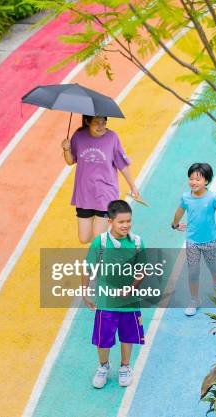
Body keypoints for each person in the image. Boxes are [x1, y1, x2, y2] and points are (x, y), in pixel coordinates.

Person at [83, 200, 146, 388]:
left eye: (129, 221)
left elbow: (142, 271)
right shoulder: (100, 242)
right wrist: (86, 293)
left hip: (129, 302)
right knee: (103, 339)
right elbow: (87, 268)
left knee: (128, 336)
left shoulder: (137, 243)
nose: (126, 225)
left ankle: (125, 367)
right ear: (110, 221)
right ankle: (103, 366)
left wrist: (132, 288)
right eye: (121, 222)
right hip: (106, 301)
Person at [61, 115, 140, 244]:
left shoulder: (112, 138)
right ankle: (113, 243)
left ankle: (102, 259)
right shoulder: (79, 136)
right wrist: (66, 149)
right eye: (97, 123)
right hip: (84, 194)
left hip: (105, 193)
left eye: (104, 122)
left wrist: (133, 186)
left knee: (98, 236)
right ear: (87, 122)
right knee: (84, 238)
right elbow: (70, 161)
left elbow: (122, 164)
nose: (101, 126)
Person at [171, 163, 216, 316]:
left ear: (206, 181)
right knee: (193, 271)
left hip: (210, 240)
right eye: (191, 179)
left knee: (212, 265)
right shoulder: (186, 197)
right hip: (192, 241)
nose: (193, 182)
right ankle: (194, 299)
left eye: (198, 179)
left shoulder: (212, 197)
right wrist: (175, 224)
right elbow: (179, 212)